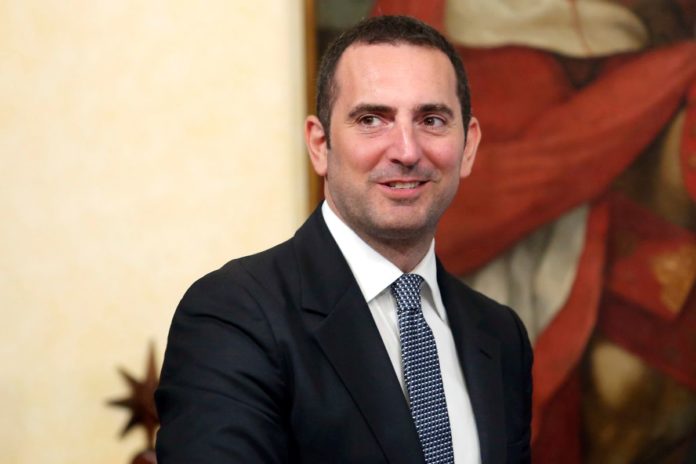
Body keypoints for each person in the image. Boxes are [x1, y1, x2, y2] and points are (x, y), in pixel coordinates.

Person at [155, 15, 532, 464]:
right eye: (372, 119)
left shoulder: (500, 334)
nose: (407, 150)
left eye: (431, 120)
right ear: (320, 144)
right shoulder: (233, 316)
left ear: (467, 146)